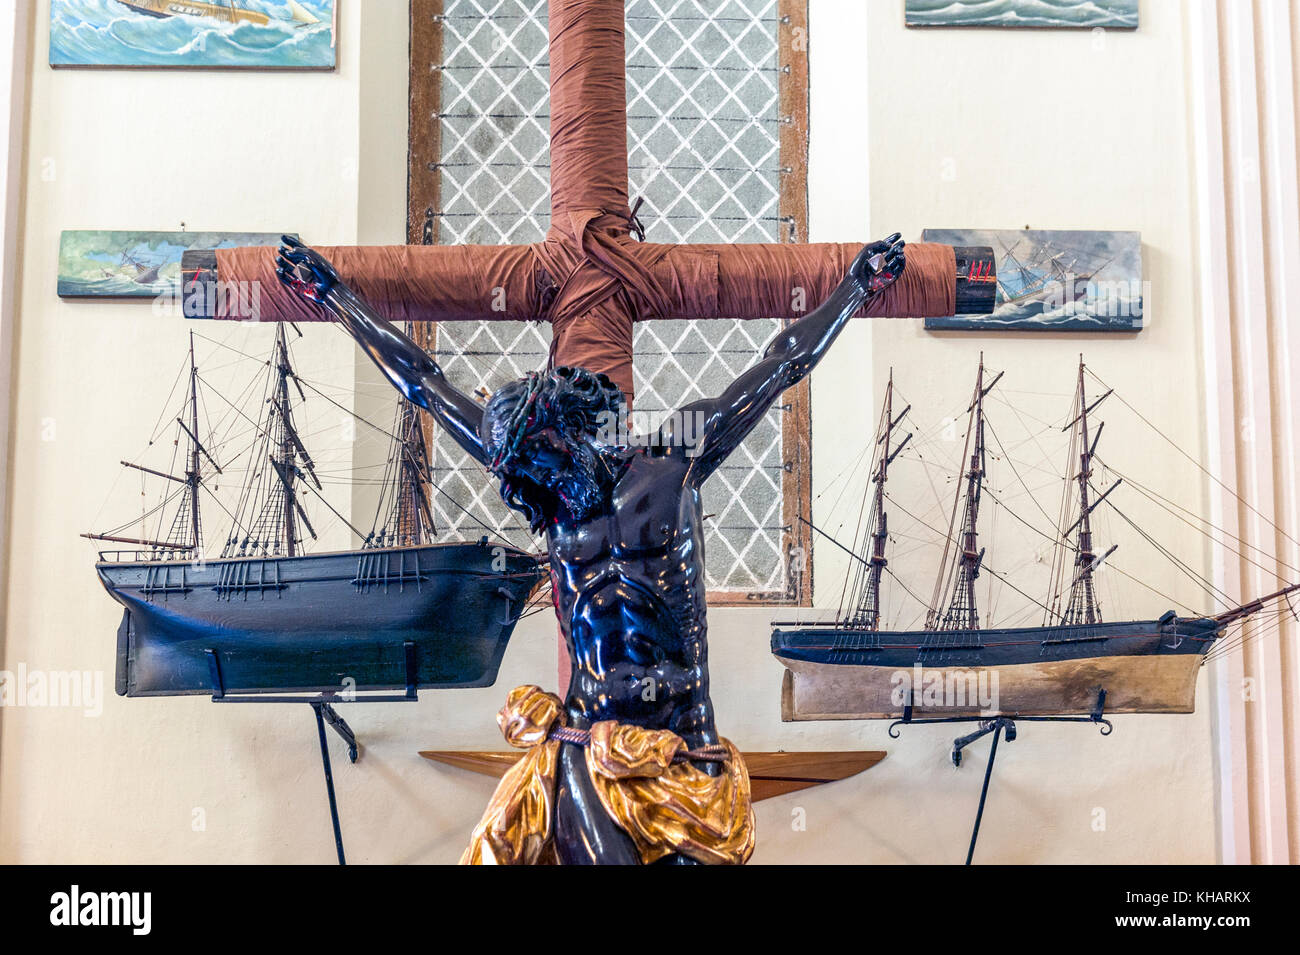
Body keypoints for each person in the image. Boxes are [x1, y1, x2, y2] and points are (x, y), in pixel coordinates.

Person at [276, 232, 906, 864]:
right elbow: (424, 385)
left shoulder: (673, 459)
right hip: (585, 740)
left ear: (566, 427)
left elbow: (780, 364)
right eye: (518, 468)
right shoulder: (547, 500)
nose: (527, 479)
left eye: (536, 457)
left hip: (683, 741)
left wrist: (854, 289)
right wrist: (336, 298)